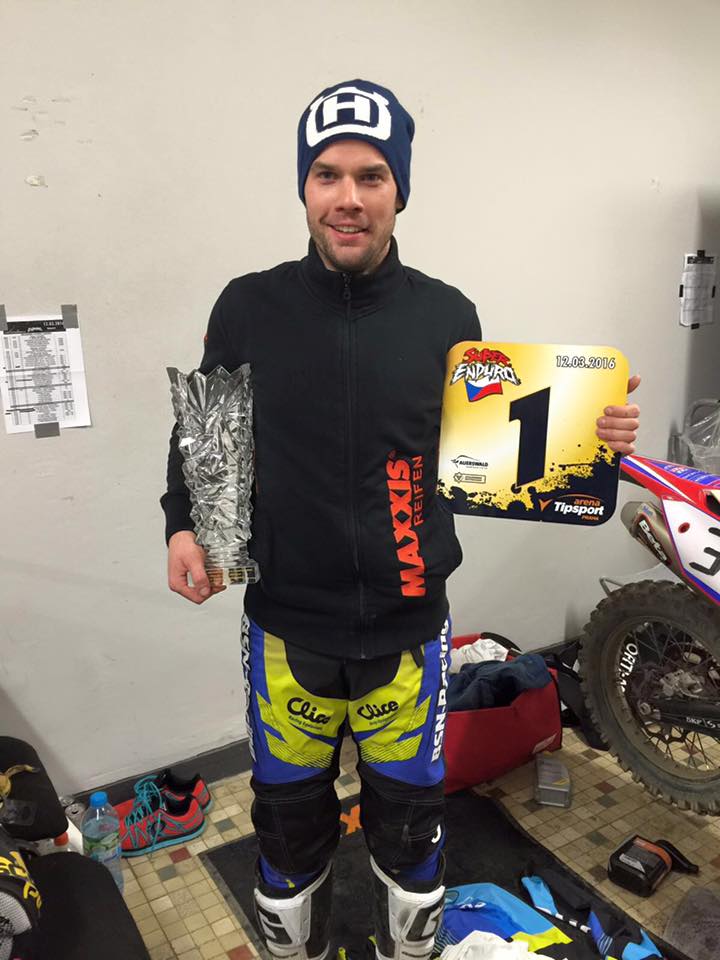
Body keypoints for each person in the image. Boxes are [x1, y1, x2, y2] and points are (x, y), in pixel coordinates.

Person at [161, 80, 640, 960]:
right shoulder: (247, 307)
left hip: (410, 629)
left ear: (400, 190)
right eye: (328, 175)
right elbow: (208, 441)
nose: (348, 198)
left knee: (413, 833)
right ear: (304, 187)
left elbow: (490, 455)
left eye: (371, 177)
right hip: (287, 629)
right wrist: (183, 525)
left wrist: (590, 439)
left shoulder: (447, 316)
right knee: (288, 831)